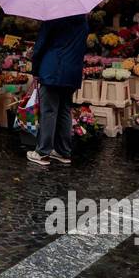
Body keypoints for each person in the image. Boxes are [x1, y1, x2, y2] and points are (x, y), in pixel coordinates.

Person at [27, 12, 90, 166]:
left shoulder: (53, 18)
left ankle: (42, 152)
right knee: (64, 110)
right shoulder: (83, 21)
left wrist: (35, 71)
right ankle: (63, 151)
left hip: (52, 70)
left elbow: (40, 46)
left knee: (49, 111)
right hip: (72, 72)